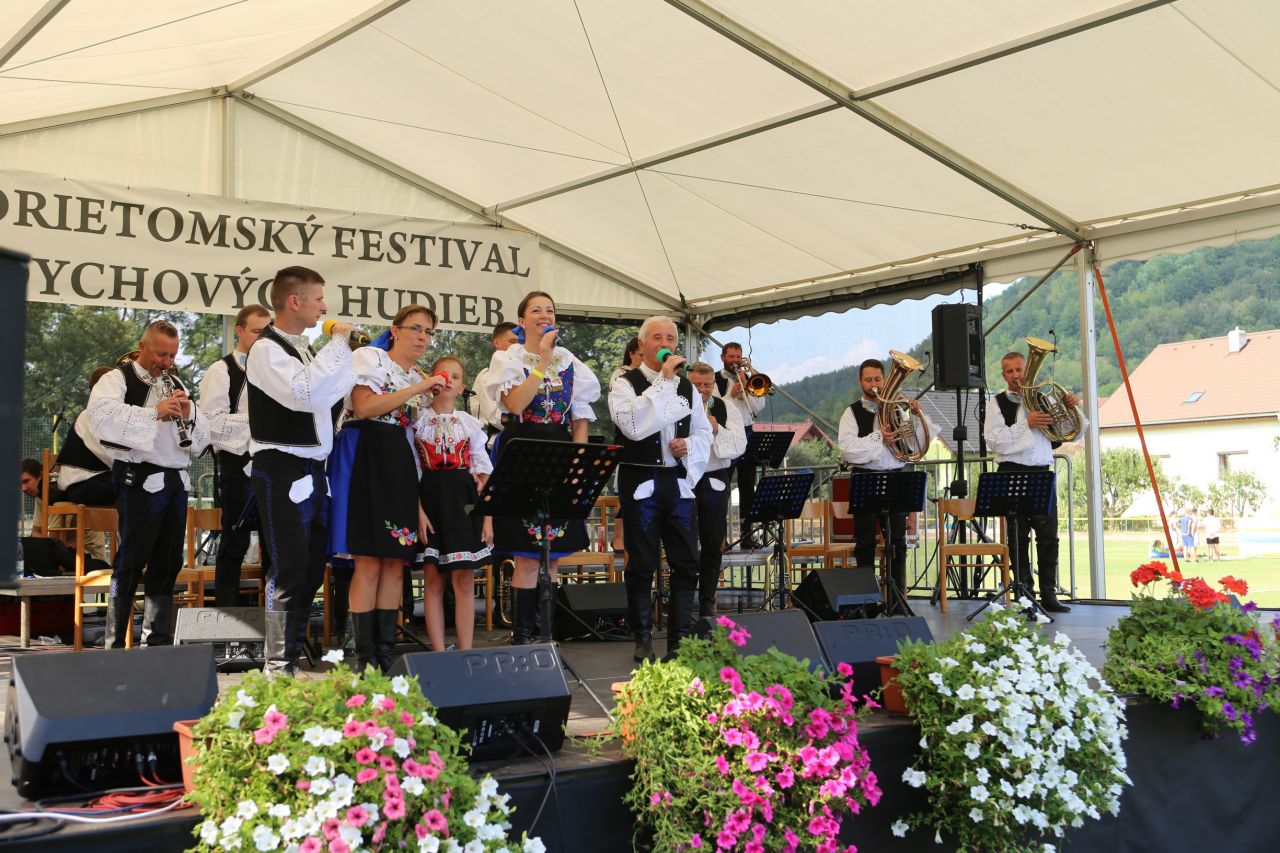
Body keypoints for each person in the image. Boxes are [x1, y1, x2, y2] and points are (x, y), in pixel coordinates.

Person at [247, 266, 358, 676]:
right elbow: (304, 393)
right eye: (319, 298)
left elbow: (326, 401)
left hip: (314, 470)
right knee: (289, 568)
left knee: (311, 570)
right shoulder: (267, 349)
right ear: (295, 301)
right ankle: (277, 667)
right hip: (280, 468)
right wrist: (339, 342)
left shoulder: (308, 351)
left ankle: (290, 658)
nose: (325, 308)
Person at [328, 304, 442, 672]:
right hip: (365, 455)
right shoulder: (371, 358)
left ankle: (385, 653)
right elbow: (364, 408)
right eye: (416, 328)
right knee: (368, 560)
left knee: (395, 562)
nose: (423, 337)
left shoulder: (416, 376)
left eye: (428, 331)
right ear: (395, 330)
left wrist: (419, 496)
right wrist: (420, 387)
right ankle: (365, 658)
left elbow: (411, 434)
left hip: (397, 461)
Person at [88, 320, 211, 647]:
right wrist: (154, 412)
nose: (166, 362)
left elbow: (201, 439)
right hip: (138, 478)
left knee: (168, 562)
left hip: (174, 481)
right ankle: (114, 642)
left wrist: (189, 411)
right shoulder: (117, 379)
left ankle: (156, 640)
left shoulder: (175, 381)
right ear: (142, 347)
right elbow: (101, 417)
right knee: (130, 560)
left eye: (172, 355)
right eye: (160, 354)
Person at [487, 291, 600, 643]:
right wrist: (542, 361)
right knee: (527, 555)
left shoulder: (570, 361)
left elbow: (580, 417)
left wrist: (578, 464)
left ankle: (545, 632)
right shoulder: (508, 358)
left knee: (553, 556)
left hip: (559, 452)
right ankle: (522, 634)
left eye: (549, 310)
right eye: (536, 310)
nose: (544, 315)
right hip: (522, 450)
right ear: (522, 321)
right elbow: (516, 403)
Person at [609, 316, 712, 663]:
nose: (665, 342)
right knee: (642, 562)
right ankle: (642, 638)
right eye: (657, 337)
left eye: (670, 337)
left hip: (677, 482)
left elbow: (703, 431)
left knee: (687, 561)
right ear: (641, 345)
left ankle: (679, 640)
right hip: (641, 480)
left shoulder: (687, 388)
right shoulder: (624, 383)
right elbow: (633, 426)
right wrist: (664, 380)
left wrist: (689, 445)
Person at [983, 349, 1084, 614]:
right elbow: (993, 441)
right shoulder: (996, 403)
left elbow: (1071, 432)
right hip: (1011, 472)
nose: (1015, 375)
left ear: (1027, 370)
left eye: (1019, 370)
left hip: (1041, 471)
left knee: (1048, 536)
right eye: (1010, 372)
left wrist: (1071, 407)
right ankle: (1024, 594)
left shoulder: (1043, 398)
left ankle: (1049, 594)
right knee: (1018, 537)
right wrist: (1025, 424)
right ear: (1004, 376)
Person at [837, 358, 935, 615]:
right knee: (865, 545)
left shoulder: (897, 409)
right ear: (861, 382)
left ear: (884, 380)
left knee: (898, 543)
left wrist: (916, 416)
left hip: (896, 477)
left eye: (878, 379)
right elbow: (848, 450)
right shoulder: (851, 412)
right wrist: (879, 436)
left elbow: (913, 445)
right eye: (868, 379)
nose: (874, 384)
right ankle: (866, 604)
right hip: (866, 479)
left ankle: (897, 601)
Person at [415, 355, 493, 652]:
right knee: (433, 581)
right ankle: (438, 652)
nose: (448, 381)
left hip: (464, 503)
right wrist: (418, 511)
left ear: (462, 388)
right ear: (430, 381)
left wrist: (488, 517)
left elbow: (483, 472)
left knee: (464, 581)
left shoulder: (469, 424)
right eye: (442, 375)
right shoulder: (416, 422)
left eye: (455, 377)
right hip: (431, 499)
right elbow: (411, 471)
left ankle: (465, 651)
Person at [199, 305, 271, 606]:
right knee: (235, 540)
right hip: (237, 464)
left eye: (267, 333)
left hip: (272, 463)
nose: (263, 339)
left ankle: (274, 616)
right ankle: (225, 613)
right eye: (257, 332)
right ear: (239, 331)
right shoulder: (222, 370)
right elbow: (211, 423)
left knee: (273, 541)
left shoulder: (276, 370)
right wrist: (261, 423)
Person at [688, 362, 746, 620]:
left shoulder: (726, 406)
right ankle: (682, 601)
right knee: (685, 542)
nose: (703, 390)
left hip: (714, 477)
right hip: (686, 478)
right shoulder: (678, 404)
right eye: (697, 385)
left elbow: (740, 444)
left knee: (713, 543)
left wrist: (717, 429)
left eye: (707, 385)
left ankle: (707, 601)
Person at [715, 343, 766, 548]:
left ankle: (747, 535)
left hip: (748, 432)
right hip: (727, 434)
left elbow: (758, 407)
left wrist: (748, 386)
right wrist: (731, 395)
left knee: (748, 487)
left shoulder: (747, 378)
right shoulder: (716, 379)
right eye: (731, 357)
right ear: (723, 358)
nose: (735, 361)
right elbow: (714, 406)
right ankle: (720, 536)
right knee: (723, 486)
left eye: (738, 356)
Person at [610, 337, 643, 552]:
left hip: (647, 435)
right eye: (641, 355)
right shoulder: (621, 374)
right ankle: (618, 538)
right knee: (625, 492)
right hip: (626, 436)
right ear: (631, 354)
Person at [469, 321, 519, 440]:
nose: (517, 347)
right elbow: (494, 417)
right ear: (497, 343)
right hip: (498, 439)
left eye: (520, 343)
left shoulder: (524, 375)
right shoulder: (486, 377)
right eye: (512, 342)